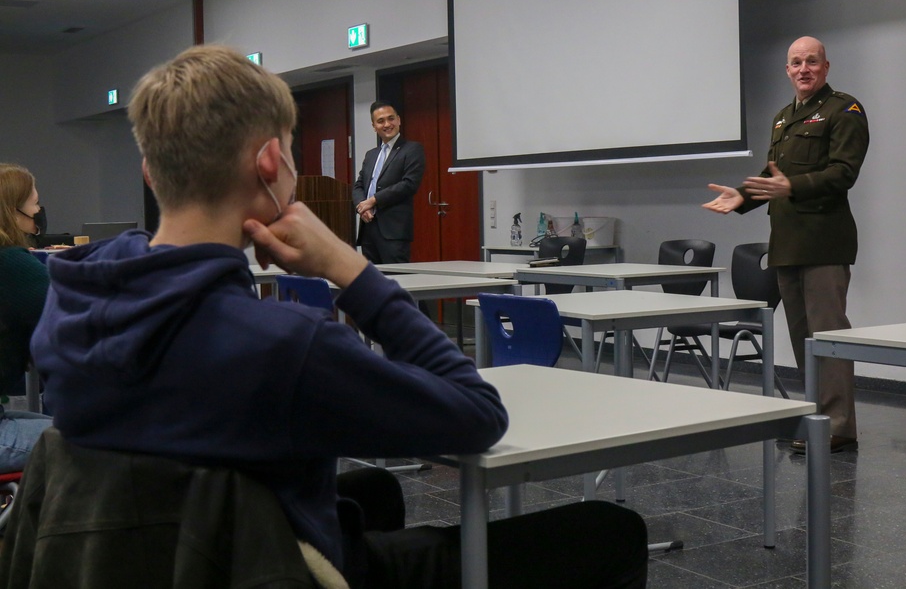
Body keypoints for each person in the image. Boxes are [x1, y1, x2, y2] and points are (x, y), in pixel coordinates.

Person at [31, 45, 647, 588]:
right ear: (270, 164)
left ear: (150, 170)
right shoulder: (281, 345)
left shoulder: (71, 302)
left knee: (372, 492)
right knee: (608, 530)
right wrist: (352, 271)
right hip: (270, 566)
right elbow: (476, 415)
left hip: (155, 554)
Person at [703, 36, 869, 454]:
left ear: (826, 66)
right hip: (788, 242)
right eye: (796, 63)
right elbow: (774, 176)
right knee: (802, 338)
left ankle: (839, 427)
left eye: (811, 61)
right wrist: (743, 196)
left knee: (827, 336)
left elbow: (843, 172)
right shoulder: (783, 117)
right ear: (788, 70)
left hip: (824, 241)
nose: (803, 69)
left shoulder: (844, 110)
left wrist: (790, 185)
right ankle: (816, 419)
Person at [0, 164, 53, 473]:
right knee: (97, 439)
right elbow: (73, 317)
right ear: (13, 210)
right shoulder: (10, 262)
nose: (39, 212)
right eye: (34, 203)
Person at [352, 101, 426, 264]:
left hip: (394, 231)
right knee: (373, 282)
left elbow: (409, 184)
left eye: (391, 119)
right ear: (374, 126)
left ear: (399, 120)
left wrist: (373, 200)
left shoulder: (412, 149)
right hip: (368, 227)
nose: (387, 124)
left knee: (397, 280)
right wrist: (361, 207)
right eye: (380, 121)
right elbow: (359, 185)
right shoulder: (371, 154)